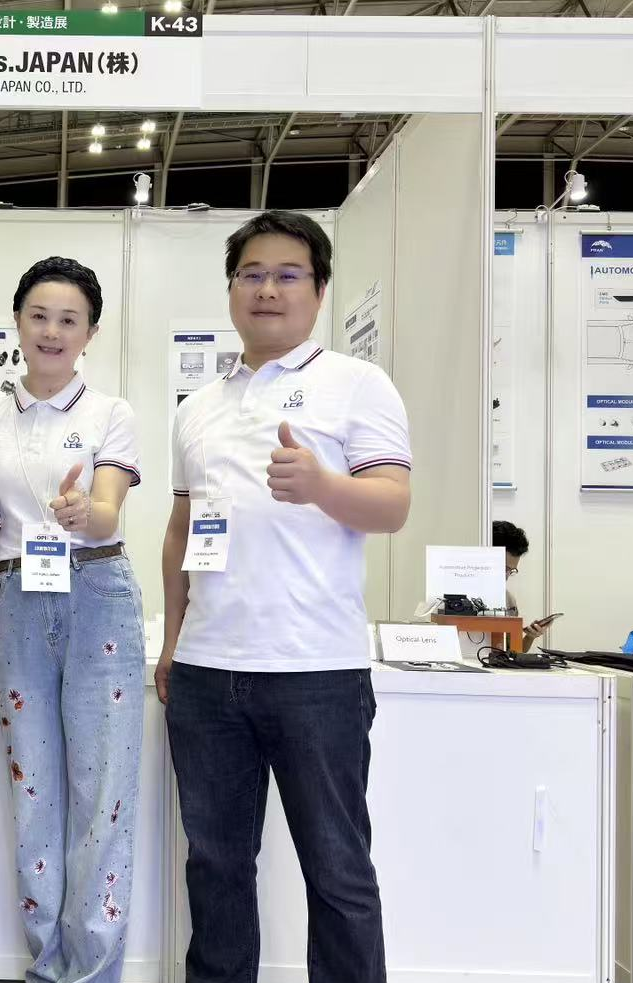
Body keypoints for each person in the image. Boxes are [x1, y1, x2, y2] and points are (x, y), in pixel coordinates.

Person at [158, 210, 412, 983]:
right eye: (251, 274)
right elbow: (181, 531)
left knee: (337, 869)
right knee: (216, 863)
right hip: (207, 673)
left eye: (287, 274)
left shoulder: (358, 384)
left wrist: (322, 485)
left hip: (317, 672)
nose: (267, 289)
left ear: (319, 289)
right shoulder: (198, 407)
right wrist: (172, 642)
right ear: (232, 289)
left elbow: (393, 504)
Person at [0, 256, 145, 983]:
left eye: (69, 319)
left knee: (104, 793)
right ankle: (47, 964)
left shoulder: (110, 413)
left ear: (90, 333)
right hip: (13, 599)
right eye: (39, 315)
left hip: (97, 592)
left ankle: (94, 969)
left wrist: (83, 511)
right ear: (17, 322)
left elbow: (107, 509)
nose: (51, 331)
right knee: (33, 786)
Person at [493, 519, 554, 650]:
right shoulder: (457, 598)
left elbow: (514, 650)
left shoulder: (508, 600)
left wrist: (530, 636)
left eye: (511, 571)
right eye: (503, 568)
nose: (506, 576)